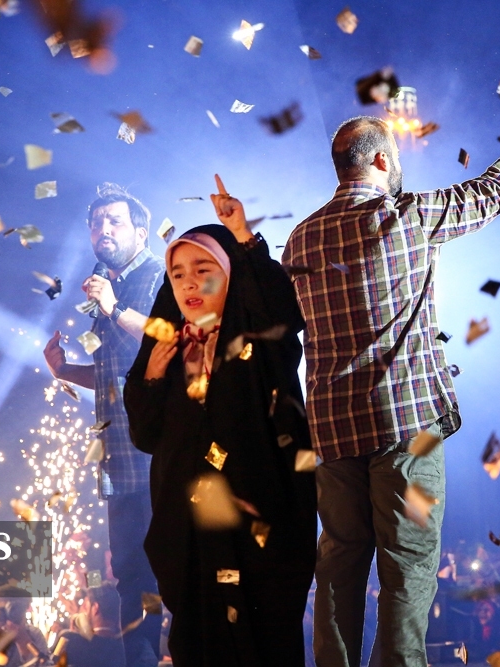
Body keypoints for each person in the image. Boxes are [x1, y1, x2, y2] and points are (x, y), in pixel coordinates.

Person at [282, 79, 500, 667]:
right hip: (407, 433)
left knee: (339, 560)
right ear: (380, 161)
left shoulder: (299, 239)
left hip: (332, 437)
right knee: (409, 561)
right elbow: (495, 190)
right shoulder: (408, 216)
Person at [123, 175, 317, 666]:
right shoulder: (164, 353)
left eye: (203, 268)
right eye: (177, 274)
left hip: (260, 524)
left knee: (263, 642)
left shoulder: (259, 339)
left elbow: (283, 311)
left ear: (231, 275)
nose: (189, 282)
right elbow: (144, 436)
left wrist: (242, 237)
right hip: (189, 533)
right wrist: (151, 378)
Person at [42, 183, 165, 666]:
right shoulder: (104, 284)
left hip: (160, 453)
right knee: (132, 579)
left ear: (141, 231)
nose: (103, 229)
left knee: (175, 570)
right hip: (121, 457)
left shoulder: (159, 275)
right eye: (96, 223)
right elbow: (116, 373)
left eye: (114, 221)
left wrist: (114, 307)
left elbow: (167, 343)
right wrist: (65, 371)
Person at [53, 583, 126, 667]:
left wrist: (73, 636)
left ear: (95, 608)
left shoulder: (70, 640)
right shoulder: (125, 648)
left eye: (85, 606)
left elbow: (51, 663)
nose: (82, 612)